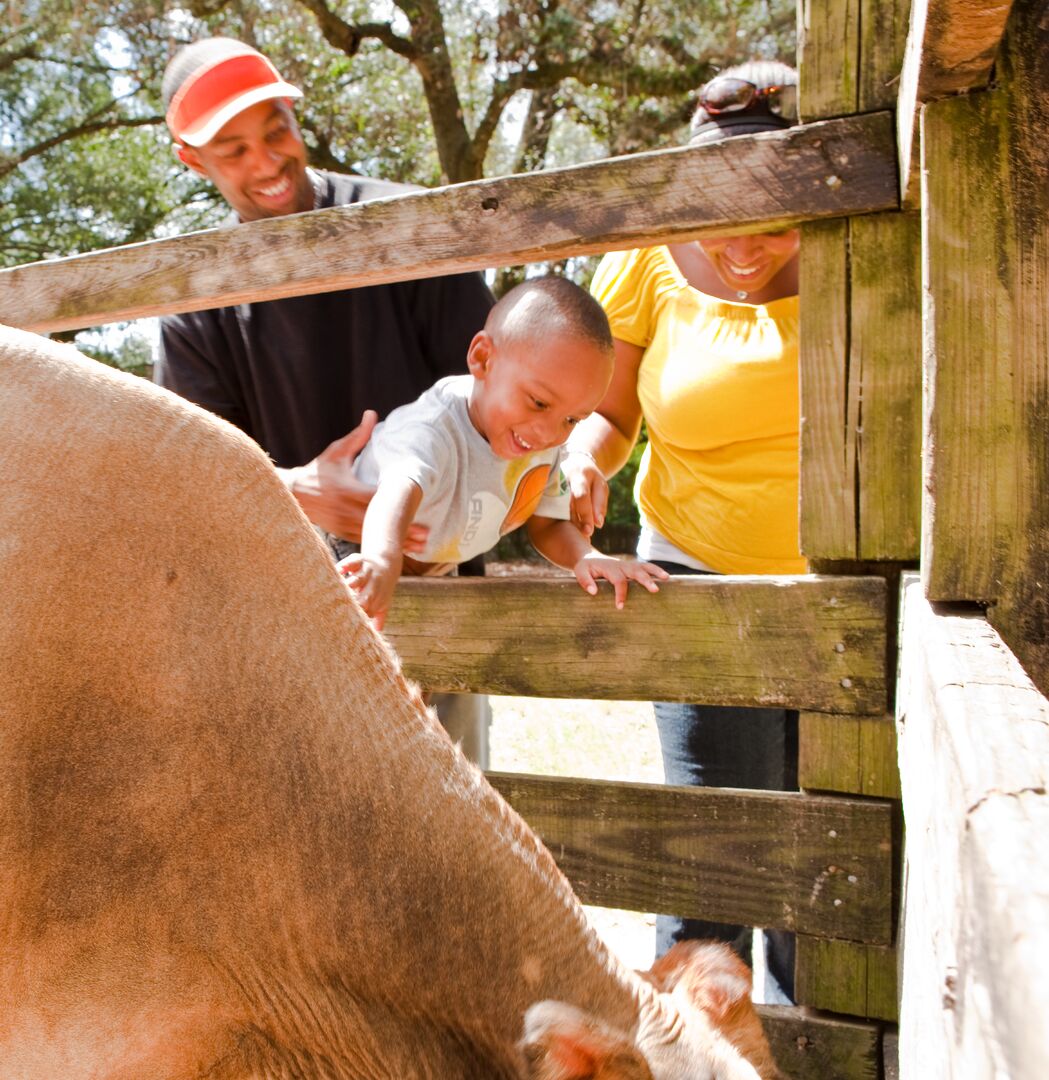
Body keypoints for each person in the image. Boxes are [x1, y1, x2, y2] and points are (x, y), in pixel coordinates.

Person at [154, 36, 496, 763]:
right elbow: (189, 473)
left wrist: (411, 505)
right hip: (286, 614)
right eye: (233, 149)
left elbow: (494, 406)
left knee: (453, 833)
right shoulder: (192, 297)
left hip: (433, 590)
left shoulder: (409, 228)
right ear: (192, 160)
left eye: (275, 130)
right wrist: (300, 491)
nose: (267, 163)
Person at [561, 59, 803, 1001]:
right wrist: (586, 456)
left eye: (773, 226)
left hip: (851, 585)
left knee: (824, 871)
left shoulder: (868, 246)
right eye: (720, 224)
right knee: (710, 864)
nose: (743, 252)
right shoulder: (644, 259)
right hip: (694, 576)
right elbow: (611, 415)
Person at [338, 276, 669, 628]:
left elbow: (549, 524)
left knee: (417, 662)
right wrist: (381, 559)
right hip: (356, 549)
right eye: (538, 402)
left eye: (572, 419)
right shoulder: (435, 427)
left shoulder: (544, 442)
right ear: (483, 359)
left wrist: (586, 556)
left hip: (426, 566)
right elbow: (397, 490)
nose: (549, 433)